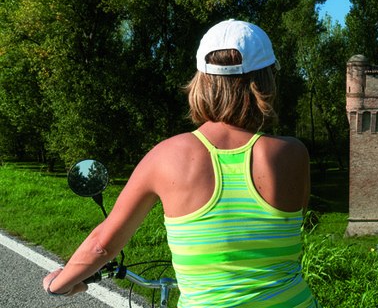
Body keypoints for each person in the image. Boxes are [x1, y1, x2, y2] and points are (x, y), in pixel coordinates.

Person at [43, 19, 321, 307]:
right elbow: (291, 222)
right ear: (266, 81)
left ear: (202, 80)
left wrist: (58, 284)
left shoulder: (166, 155)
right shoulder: (293, 153)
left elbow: (103, 245)